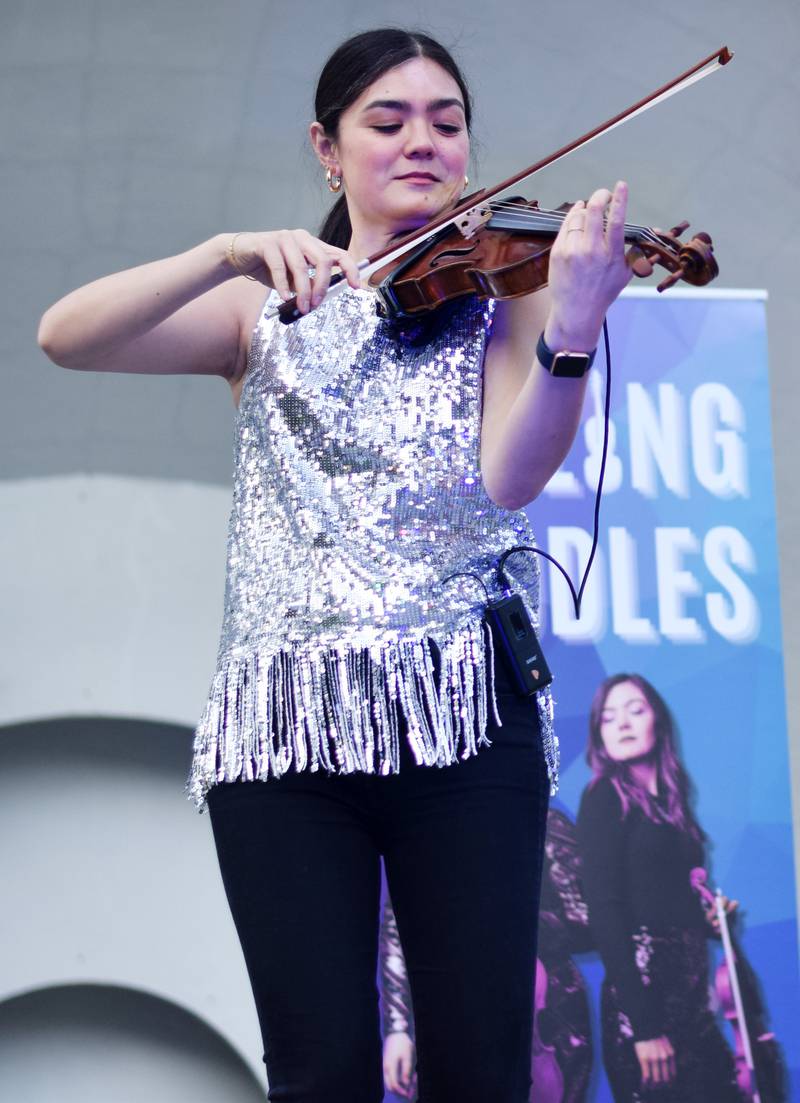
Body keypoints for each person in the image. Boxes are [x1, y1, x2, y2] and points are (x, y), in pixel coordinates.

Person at [38, 27, 635, 1102]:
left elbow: (509, 477)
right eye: (388, 120)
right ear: (327, 147)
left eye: (446, 122)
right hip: (284, 731)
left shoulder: (505, 294)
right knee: (318, 1069)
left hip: (461, 710)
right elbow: (65, 335)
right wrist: (223, 250)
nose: (423, 142)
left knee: (479, 1064)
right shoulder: (261, 312)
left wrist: (574, 327)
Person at [576, 673, 744, 1102]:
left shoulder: (673, 801)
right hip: (643, 1004)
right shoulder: (603, 798)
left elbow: (663, 902)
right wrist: (646, 1027)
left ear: (659, 721)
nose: (622, 723)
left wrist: (710, 920)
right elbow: (605, 912)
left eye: (635, 710)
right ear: (600, 735)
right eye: (608, 717)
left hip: (692, 1003)